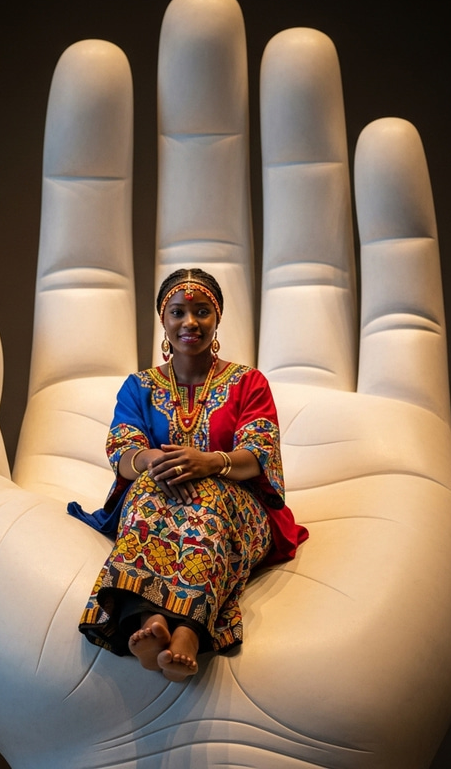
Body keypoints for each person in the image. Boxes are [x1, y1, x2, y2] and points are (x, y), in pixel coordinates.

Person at [68, 268, 309, 681]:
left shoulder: (247, 382)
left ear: (217, 319)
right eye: (178, 312)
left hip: (237, 508)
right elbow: (121, 451)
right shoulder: (139, 386)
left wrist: (211, 463)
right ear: (164, 320)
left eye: (202, 312)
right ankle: (154, 623)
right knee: (144, 491)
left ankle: (188, 632)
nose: (190, 323)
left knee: (208, 500)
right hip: (158, 498)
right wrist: (149, 462)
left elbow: (260, 454)